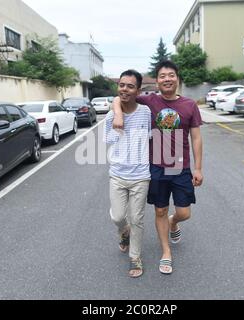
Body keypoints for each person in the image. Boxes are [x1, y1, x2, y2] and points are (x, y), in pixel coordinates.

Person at [112, 60, 204, 275]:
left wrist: (198, 168)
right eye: (162, 76)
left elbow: (197, 138)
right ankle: (166, 252)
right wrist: (117, 112)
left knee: (184, 212)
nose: (167, 79)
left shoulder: (190, 105)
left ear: (177, 78)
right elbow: (121, 96)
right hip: (155, 167)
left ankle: (174, 223)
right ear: (157, 80)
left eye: (171, 75)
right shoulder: (150, 101)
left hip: (180, 167)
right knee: (160, 209)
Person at [104, 69, 152, 278]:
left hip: (141, 175)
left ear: (138, 90)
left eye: (130, 86)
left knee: (137, 219)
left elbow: (149, 137)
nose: (125, 89)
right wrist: (117, 117)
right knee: (118, 217)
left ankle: (135, 257)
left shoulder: (146, 112)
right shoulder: (109, 116)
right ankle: (124, 232)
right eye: (122, 85)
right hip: (117, 174)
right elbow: (109, 142)